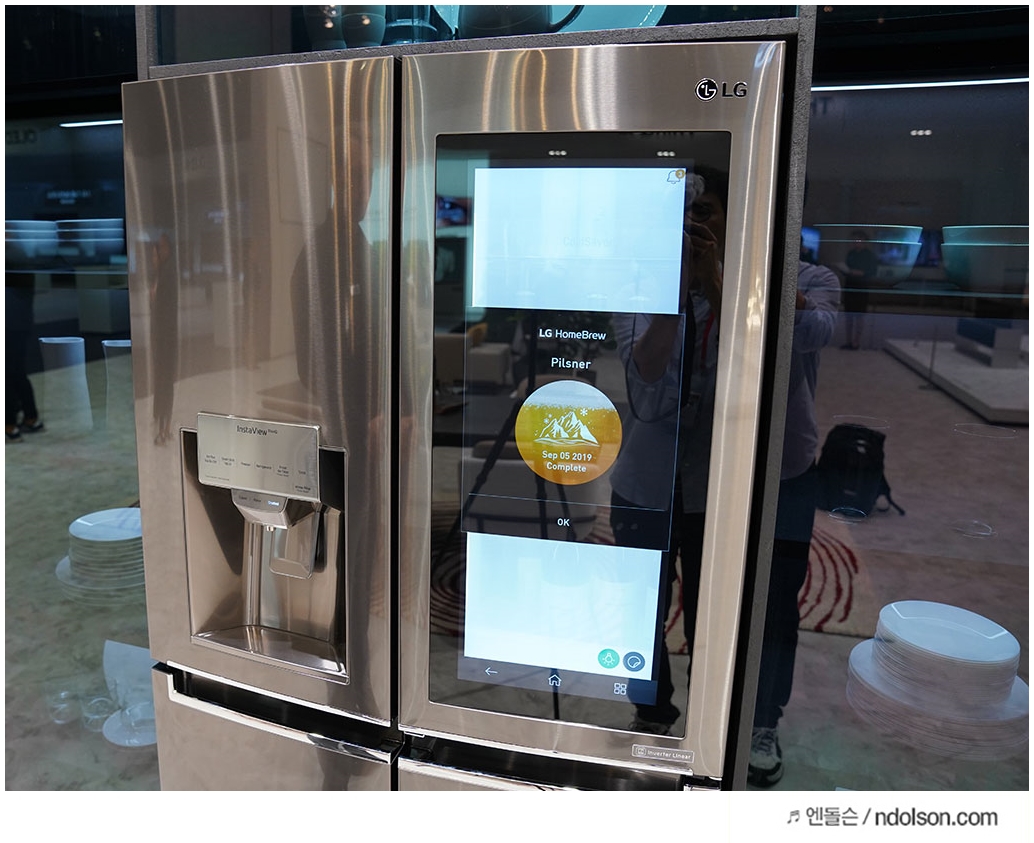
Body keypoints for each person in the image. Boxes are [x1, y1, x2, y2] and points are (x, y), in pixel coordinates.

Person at [748, 258, 839, 786]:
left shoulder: (813, 277)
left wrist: (773, 273)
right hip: (710, 457)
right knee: (707, 595)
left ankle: (763, 721)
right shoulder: (703, 271)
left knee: (778, 605)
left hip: (788, 463)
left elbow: (818, 332)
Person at [6, 280, 44, 442]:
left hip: (8, 324)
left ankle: (9, 426)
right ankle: (31, 418)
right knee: (16, 373)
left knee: (8, 375)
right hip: (19, 324)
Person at [839, 231, 877, 349]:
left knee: (859, 316)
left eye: (858, 240)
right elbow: (847, 269)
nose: (855, 242)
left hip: (861, 288)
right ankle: (848, 341)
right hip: (850, 287)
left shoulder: (869, 256)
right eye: (854, 240)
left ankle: (856, 342)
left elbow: (872, 272)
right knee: (849, 316)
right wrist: (845, 270)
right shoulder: (851, 254)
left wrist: (858, 272)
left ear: (864, 241)